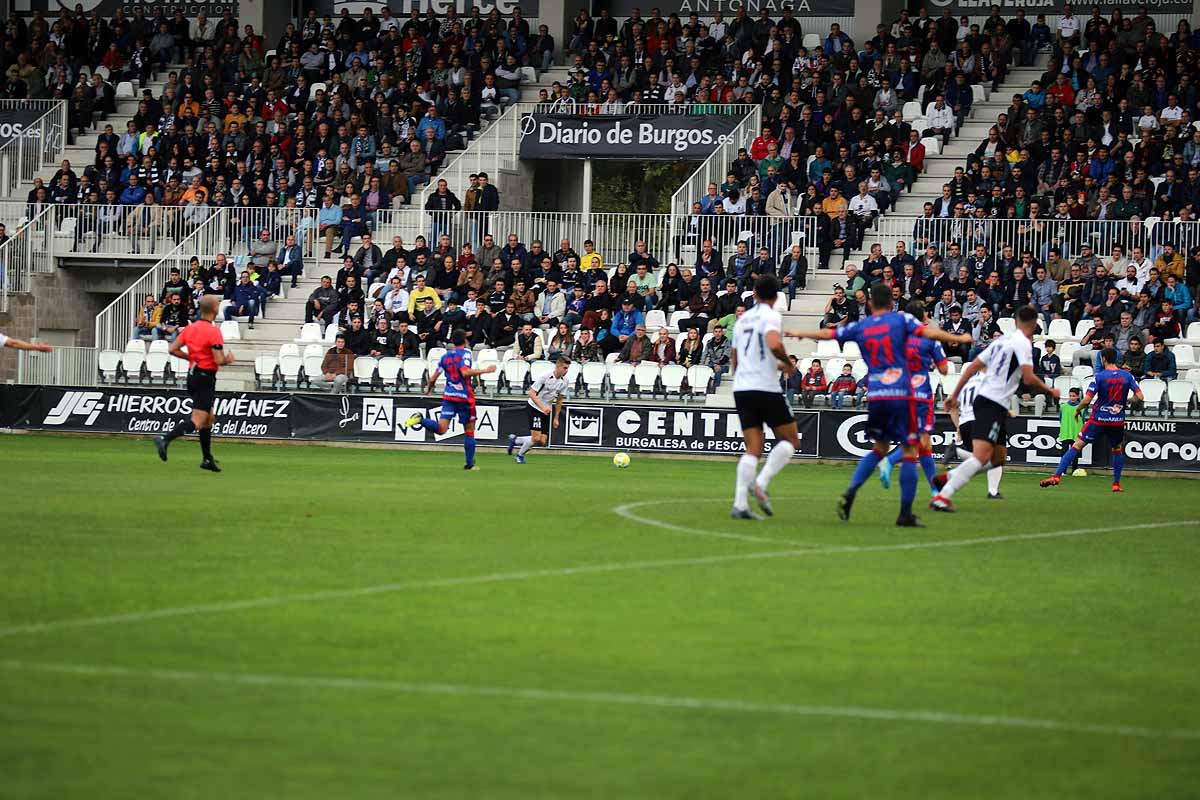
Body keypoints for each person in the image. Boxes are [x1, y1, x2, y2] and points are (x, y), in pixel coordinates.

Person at [786, 284, 972, 526]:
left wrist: (800, 332)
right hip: (902, 395)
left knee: (879, 448)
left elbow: (828, 334)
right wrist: (958, 337)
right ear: (892, 304)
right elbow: (929, 334)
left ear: (870, 304)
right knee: (908, 450)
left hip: (876, 396)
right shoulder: (901, 322)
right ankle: (905, 513)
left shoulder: (862, 326)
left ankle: (851, 491)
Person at [931, 306, 1060, 512]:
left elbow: (973, 366)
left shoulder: (1002, 340)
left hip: (994, 404)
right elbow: (1028, 377)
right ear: (1035, 324)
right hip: (991, 403)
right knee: (981, 457)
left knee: (998, 459)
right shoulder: (1023, 344)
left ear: (1016, 321)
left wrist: (954, 394)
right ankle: (943, 497)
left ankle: (951, 476)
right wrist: (1050, 390)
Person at [729, 275, 798, 521]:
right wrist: (787, 362)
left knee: (754, 448)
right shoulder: (771, 315)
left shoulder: (742, 320)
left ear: (755, 294)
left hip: (742, 387)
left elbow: (736, 359)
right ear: (777, 296)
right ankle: (761, 481)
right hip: (765, 388)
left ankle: (739, 504)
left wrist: (767, 368)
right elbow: (772, 342)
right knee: (790, 439)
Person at [1041, 348, 1144, 492]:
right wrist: (1126, 400)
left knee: (1077, 445)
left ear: (1103, 359)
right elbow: (1140, 397)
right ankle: (1116, 484)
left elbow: (1087, 400)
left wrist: (1077, 410)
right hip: (1117, 420)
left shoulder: (1099, 376)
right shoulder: (1127, 376)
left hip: (1098, 419)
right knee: (1117, 449)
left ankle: (1057, 476)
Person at [154, 295, 234, 472]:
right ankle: (165, 438)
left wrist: (190, 357)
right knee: (198, 420)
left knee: (209, 417)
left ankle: (207, 459)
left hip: (193, 376)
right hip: (205, 377)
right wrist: (228, 359)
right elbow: (218, 359)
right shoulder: (213, 331)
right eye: (217, 304)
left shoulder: (191, 328)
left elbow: (172, 349)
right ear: (214, 308)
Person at [878, 300, 949, 493]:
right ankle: (890, 461)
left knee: (925, 444)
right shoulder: (929, 337)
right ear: (924, 316)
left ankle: (935, 490)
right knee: (920, 441)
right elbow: (944, 369)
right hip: (920, 396)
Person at [405, 329, 497, 470]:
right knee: (469, 430)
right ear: (465, 341)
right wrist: (485, 370)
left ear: (452, 342)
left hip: (449, 396)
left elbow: (433, 377)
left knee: (441, 429)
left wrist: (428, 389)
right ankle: (470, 464)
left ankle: (421, 420)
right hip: (464, 397)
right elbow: (465, 372)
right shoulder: (466, 353)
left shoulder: (445, 357)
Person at [937, 364, 1007, 500]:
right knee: (994, 458)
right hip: (981, 421)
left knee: (979, 459)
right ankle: (992, 491)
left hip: (965, 424)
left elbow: (952, 408)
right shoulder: (990, 381)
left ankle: (949, 477)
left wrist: (958, 426)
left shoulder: (966, 384)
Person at [507, 357, 571, 464]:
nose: (566, 370)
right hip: (535, 408)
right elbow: (531, 393)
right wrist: (542, 407)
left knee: (542, 441)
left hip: (546, 410)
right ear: (558, 366)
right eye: (564, 368)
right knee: (536, 438)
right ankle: (519, 456)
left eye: (568, 368)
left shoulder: (565, 381)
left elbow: (559, 400)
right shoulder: (545, 376)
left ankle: (516, 440)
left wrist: (556, 418)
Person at [1057, 386, 1084, 453]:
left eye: (1074, 396)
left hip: (1076, 434)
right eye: (1070, 395)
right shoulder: (1063, 407)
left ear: (1078, 396)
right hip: (1066, 433)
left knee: (1075, 454)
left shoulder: (1082, 408)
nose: (1071, 397)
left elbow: (1083, 421)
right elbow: (1060, 419)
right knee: (1064, 452)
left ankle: (1074, 464)